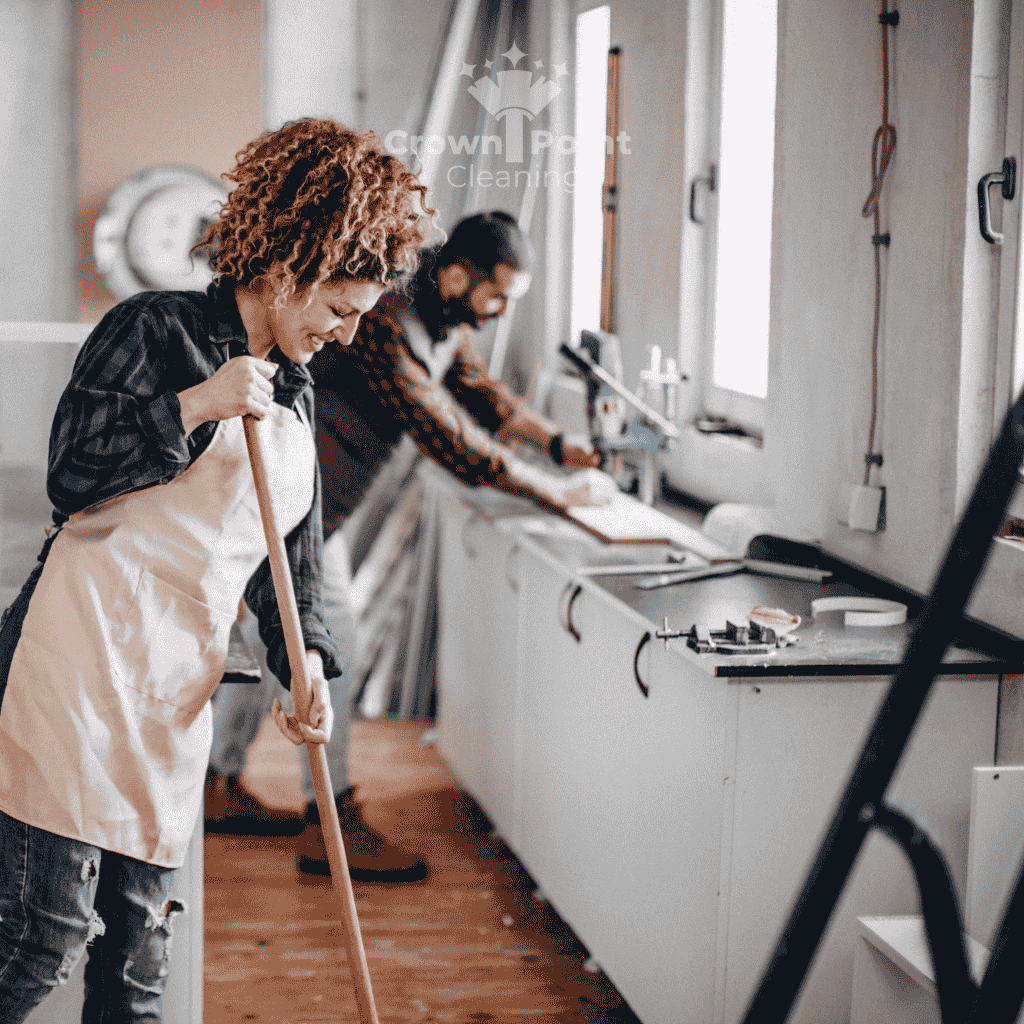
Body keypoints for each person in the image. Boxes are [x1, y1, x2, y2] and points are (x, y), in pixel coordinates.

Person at [0, 117, 432, 1022]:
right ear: (286, 270)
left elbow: (291, 569)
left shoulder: (299, 393)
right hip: (75, 670)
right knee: (41, 941)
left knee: (137, 960)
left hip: (170, 696)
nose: (346, 335)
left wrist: (303, 661)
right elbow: (73, 475)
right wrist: (197, 403)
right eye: (338, 309)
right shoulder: (151, 329)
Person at [205, 210, 616, 881]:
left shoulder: (442, 320)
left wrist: (559, 446)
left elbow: (478, 393)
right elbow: (441, 429)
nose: (499, 309)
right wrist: (555, 493)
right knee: (336, 651)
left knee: (269, 644)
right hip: (290, 509)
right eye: (497, 295)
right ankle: (328, 828)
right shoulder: (387, 321)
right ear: (457, 275)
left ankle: (219, 787)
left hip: (314, 514)